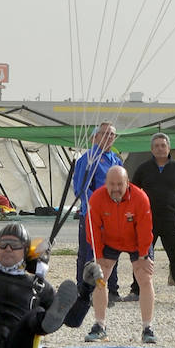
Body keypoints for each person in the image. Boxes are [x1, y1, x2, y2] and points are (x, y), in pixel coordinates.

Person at [84, 166, 158, 344]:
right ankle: (100, 326)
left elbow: (145, 229)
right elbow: (92, 229)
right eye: (111, 184)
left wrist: (142, 256)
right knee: (100, 278)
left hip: (136, 240)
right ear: (106, 183)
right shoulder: (97, 198)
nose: (115, 188)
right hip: (110, 240)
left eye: (119, 184)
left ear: (127, 183)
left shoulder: (140, 198)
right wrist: (99, 255)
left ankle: (147, 328)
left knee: (145, 278)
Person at [130, 132, 175, 305]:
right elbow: (133, 191)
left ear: (169, 147)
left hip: (170, 219)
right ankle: (136, 290)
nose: (160, 148)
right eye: (156, 146)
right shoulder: (144, 168)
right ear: (151, 149)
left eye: (163, 145)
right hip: (147, 220)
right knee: (142, 255)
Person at [72, 122, 122, 300]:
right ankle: (84, 289)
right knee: (88, 252)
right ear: (97, 136)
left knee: (112, 251)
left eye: (112, 135)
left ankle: (112, 289)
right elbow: (81, 188)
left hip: (114, 214)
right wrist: (100, 205)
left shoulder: (116, 160)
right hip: (93, 213)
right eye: (105, 134)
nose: (109, 137)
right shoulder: (88, 158)